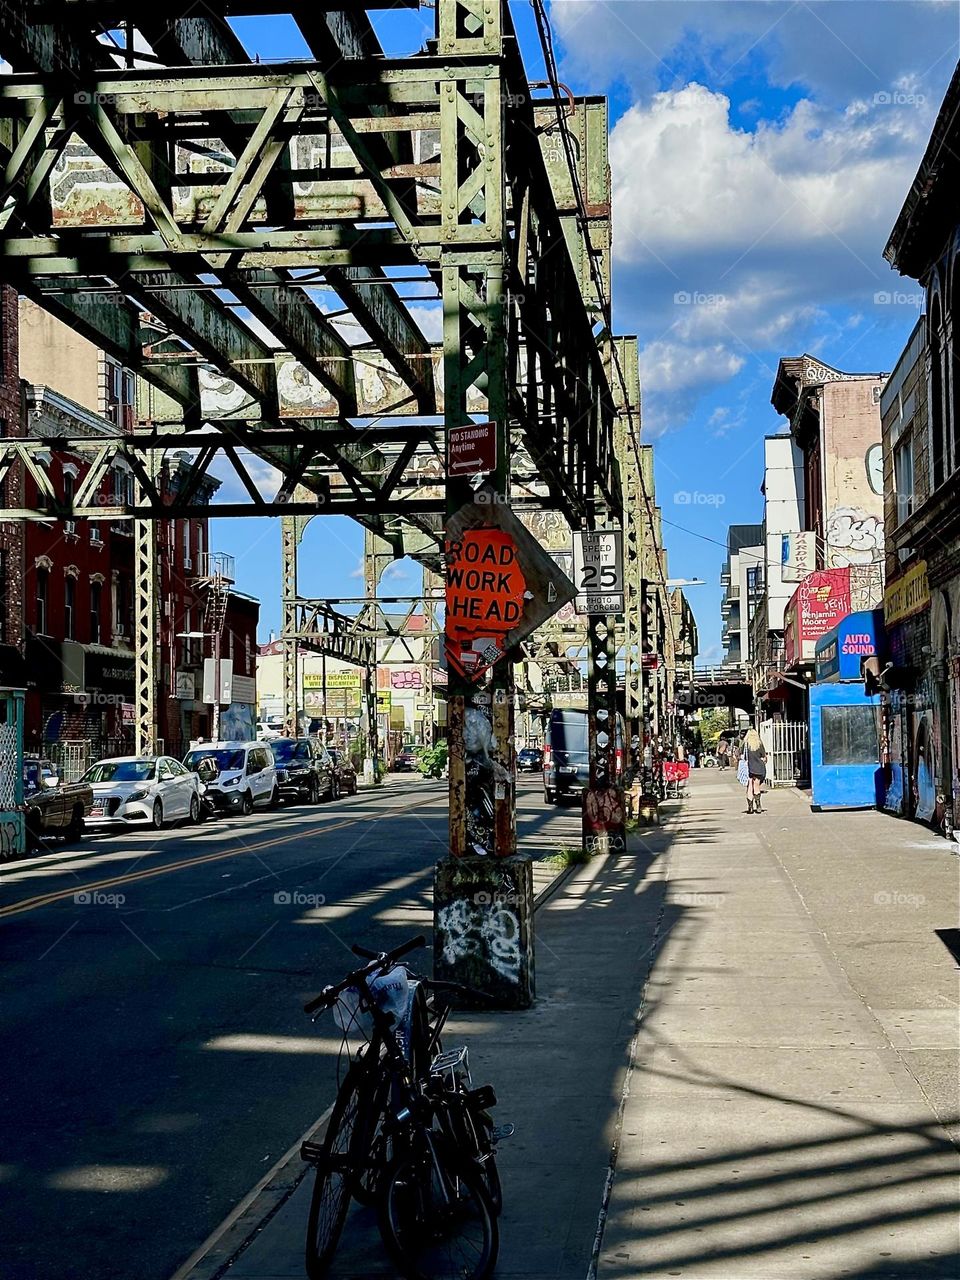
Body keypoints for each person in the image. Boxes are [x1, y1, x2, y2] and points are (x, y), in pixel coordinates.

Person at [743, 727, 767, 814]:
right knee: (756, 786)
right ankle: (758, 806)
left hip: (749, 768)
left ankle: (750, 807)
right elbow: (764, 756)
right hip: (759, 768)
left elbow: (740, 755)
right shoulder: (759, 744)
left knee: (749, 787)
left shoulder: (745, 744)